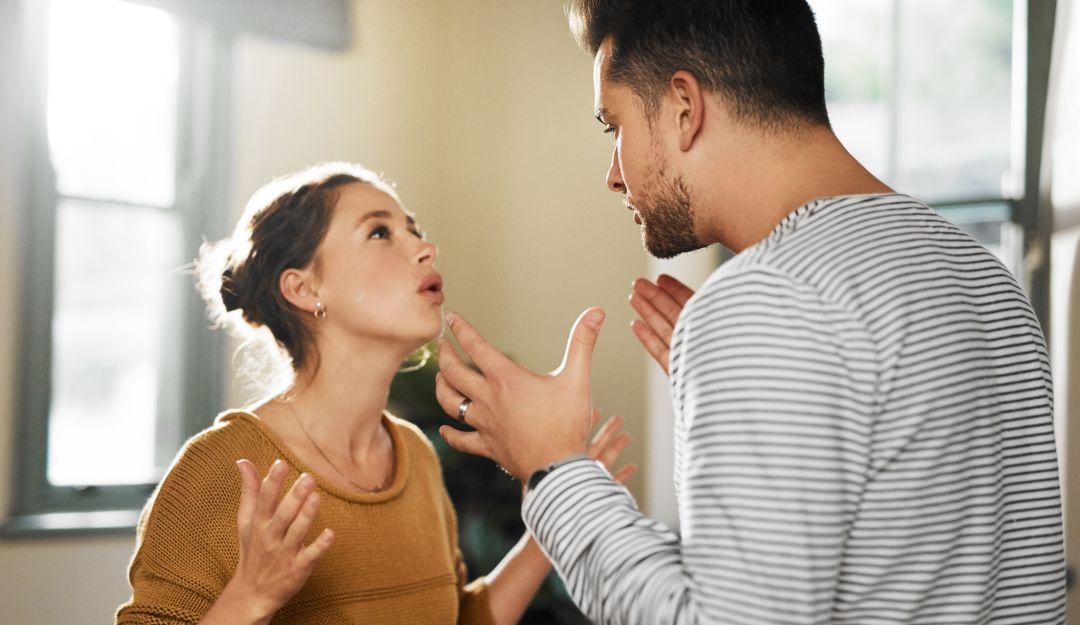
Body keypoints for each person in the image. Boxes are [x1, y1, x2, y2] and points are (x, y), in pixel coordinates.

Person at [432, 1, 1068, 623]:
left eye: (613, 126)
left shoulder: (767, 299)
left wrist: (552, 466)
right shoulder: (982, 272)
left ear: (685, 106)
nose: (613, 175)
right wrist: (757, 385)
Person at [115, 162, 635, 625]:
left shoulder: (415, 457)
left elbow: (458, 619)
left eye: (415, 229)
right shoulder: (219, 471)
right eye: (381, 232)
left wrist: (547, 522)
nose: (425, 247)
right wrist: (249, 599)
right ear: (303, 289)